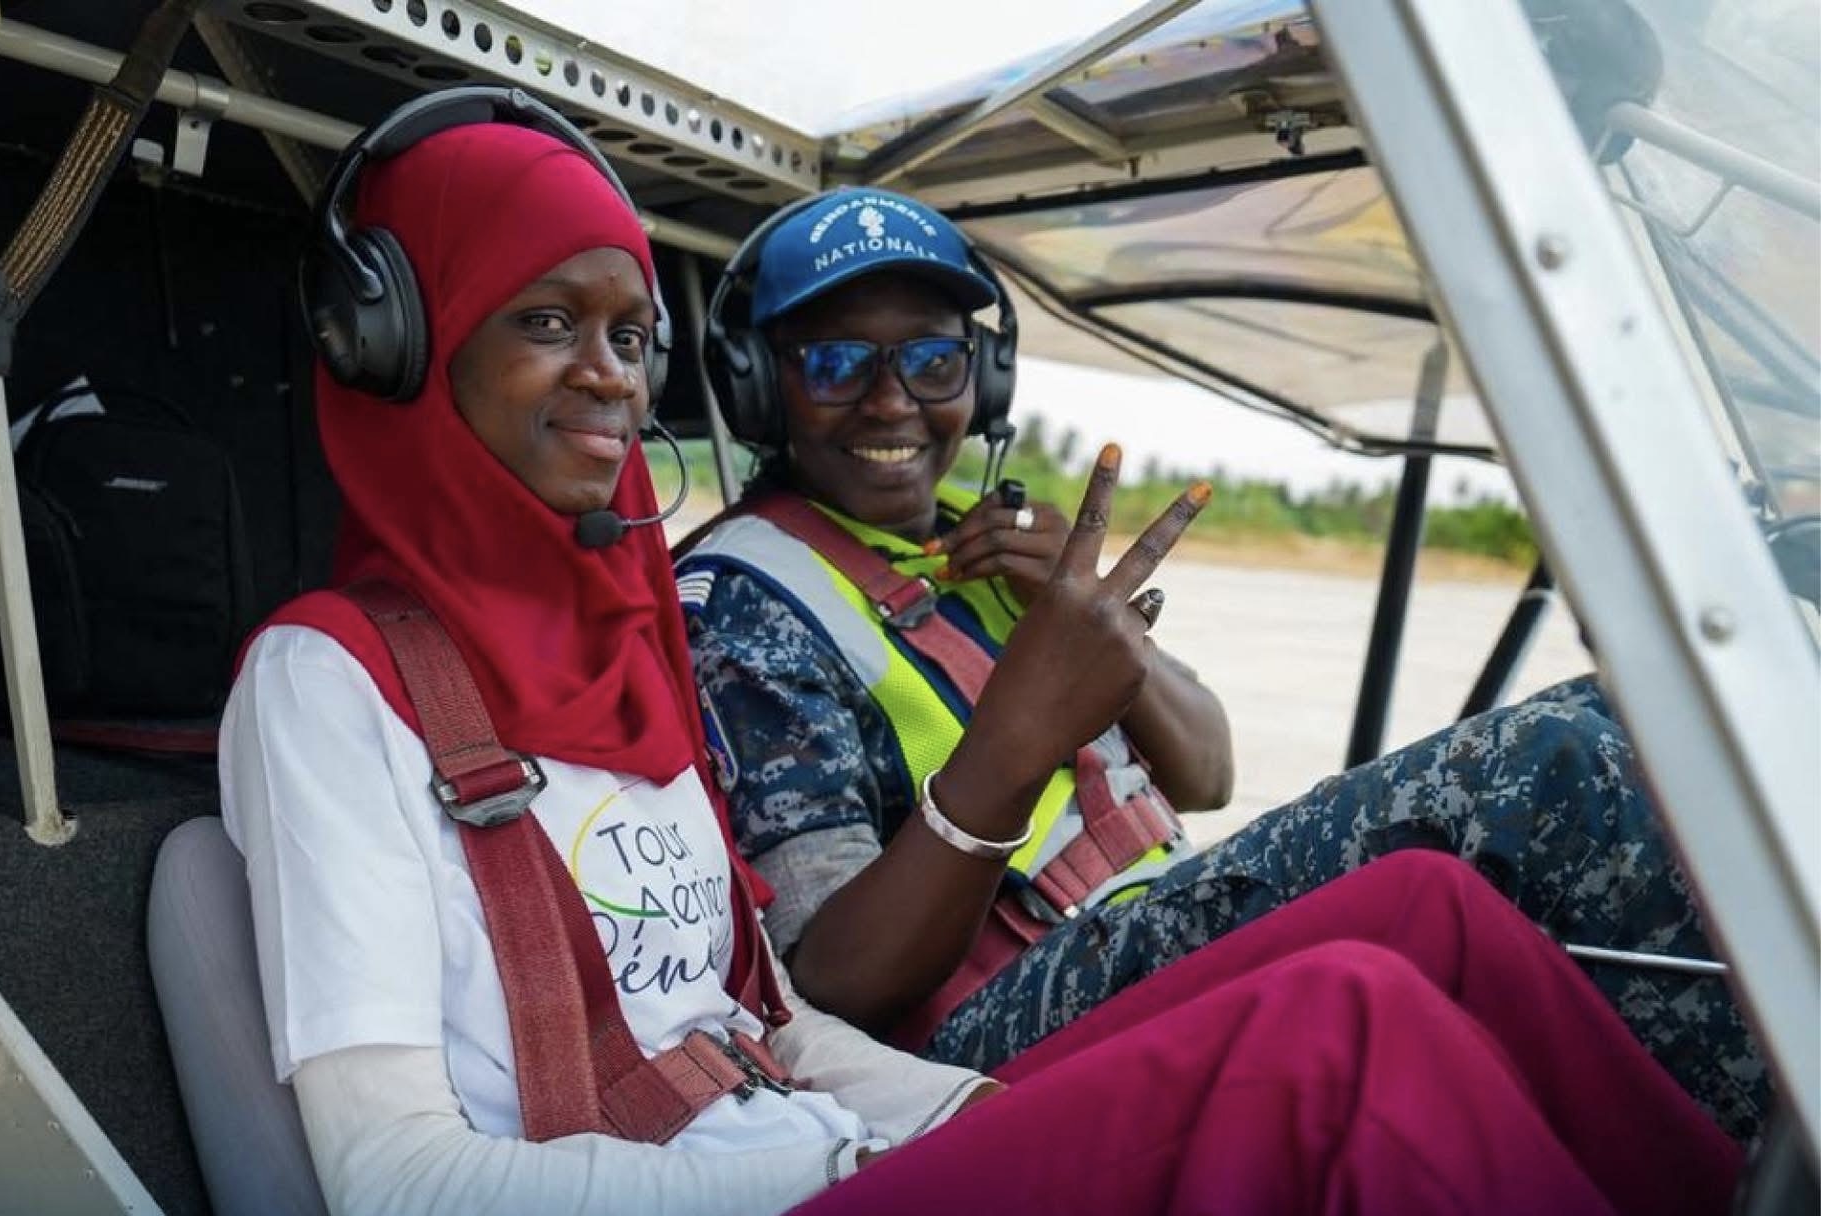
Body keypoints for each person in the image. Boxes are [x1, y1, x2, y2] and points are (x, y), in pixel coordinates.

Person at [220, 101, 1739, 1216]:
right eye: (547, 319)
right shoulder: (336, 683)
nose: (613, 377)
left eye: (630, 334)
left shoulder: (628, 643)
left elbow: (769, 1020)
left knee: (1418, 919)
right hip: (770, 1174)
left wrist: (999, 1116)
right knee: (1342, 1031)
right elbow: (397, 1180)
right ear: (400, 344)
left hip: (818, 1129)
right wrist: (855, 1145)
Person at [679, 185, 1766, 1140]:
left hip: (1145, 917)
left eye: (929, 358)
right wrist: (1014, 739)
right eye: (832, 364)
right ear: (759, 386)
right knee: (1561, 764)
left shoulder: (1002, 545)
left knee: (1632, 728)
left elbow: (1204, 775)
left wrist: (1102, 640)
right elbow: (835, 982)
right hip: (988, 1030)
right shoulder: (747, 604)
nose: (890, 402)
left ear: (983, 375)